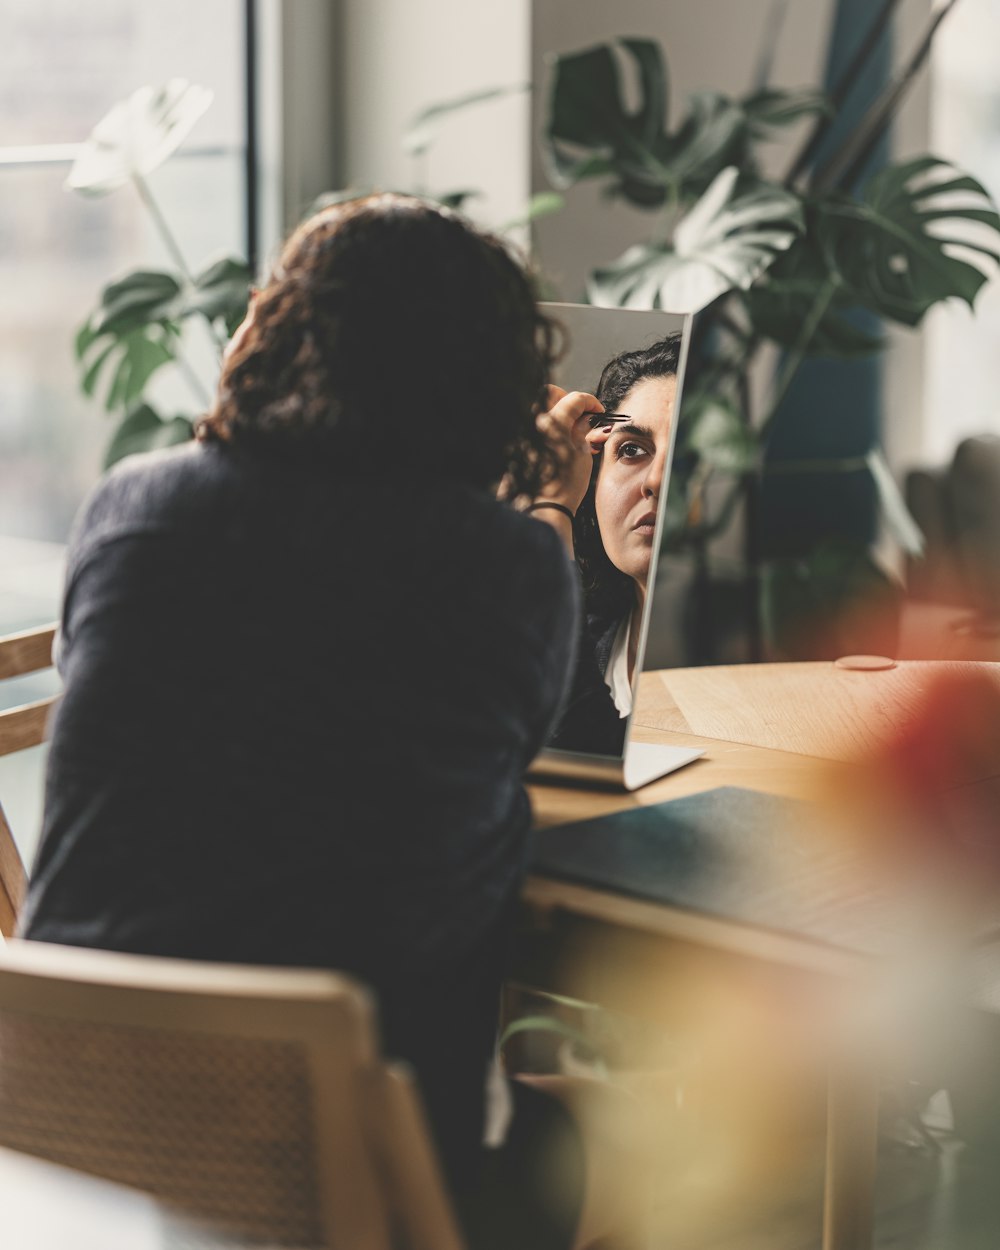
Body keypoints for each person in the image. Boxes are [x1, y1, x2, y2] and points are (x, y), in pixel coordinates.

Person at [20, 195, 588, 1245]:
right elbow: (519, 721)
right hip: (335, 1166)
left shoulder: (129, 505)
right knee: (561, 1136)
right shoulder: (502, 565)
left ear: (269, 329)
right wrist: (550, 504)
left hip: (73, 1137)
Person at [537, 336, 681, 755]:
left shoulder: (738, 654)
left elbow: (597, 754)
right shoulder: (592, 629)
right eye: (632, 450)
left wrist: (546, 513)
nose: (656, 481)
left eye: (682, 455)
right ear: (592, 483)